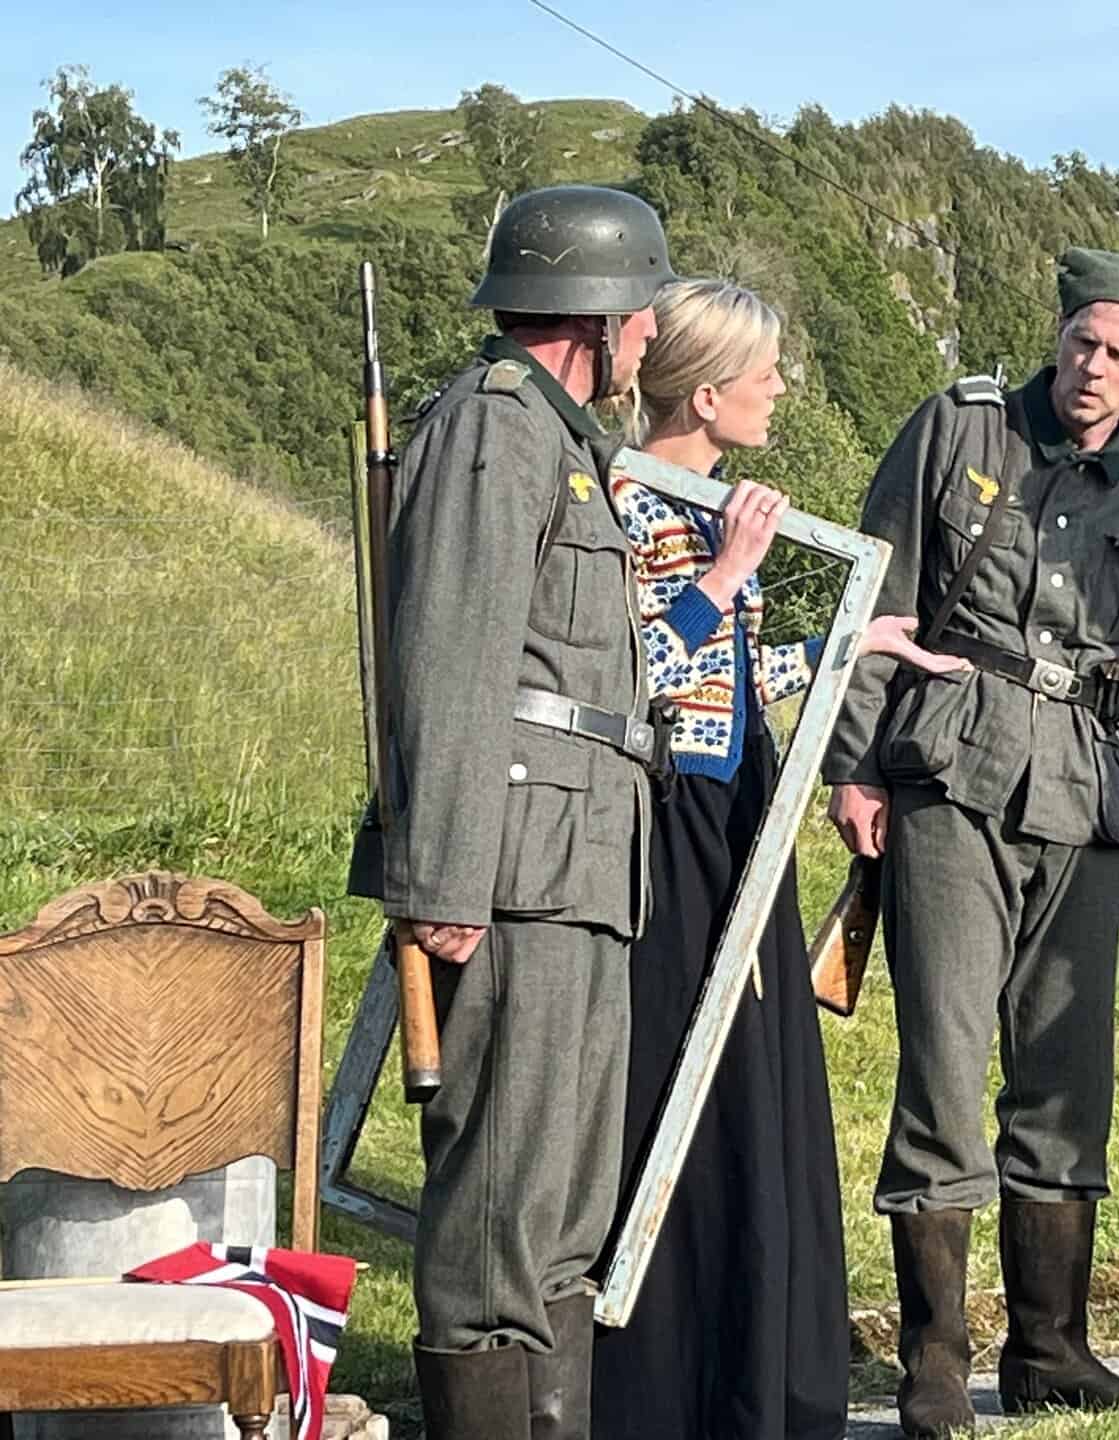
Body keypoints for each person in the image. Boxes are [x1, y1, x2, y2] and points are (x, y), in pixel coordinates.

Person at [823, 248, 1119, 1436]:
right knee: (942, 1070)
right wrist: (851, 762)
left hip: (1089, 796)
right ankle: (935, 1363)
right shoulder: (962, 426)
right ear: (1059, 335)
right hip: (951, 770)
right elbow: (877, 599)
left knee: (1066, 1075)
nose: (1092, 367)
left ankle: (1050, 1349)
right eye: (1081, 340)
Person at [590, 278, 965, 1440]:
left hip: (739, 813)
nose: (781, 389)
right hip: (673, 828)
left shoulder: (710, 512)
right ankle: (668, 1379)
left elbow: (730, 680)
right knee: (679, 1083)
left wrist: (855, 643)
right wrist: (723, 578)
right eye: (764, 373)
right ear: (707, 394)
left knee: (750, 1085)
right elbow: (628, 677)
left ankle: (754, 1370)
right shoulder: (630, 503)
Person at [345, 185, 677, 1440]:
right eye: (640, 311)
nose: (650, 334)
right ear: (594, 317)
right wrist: (442, 881)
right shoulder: (496, 427)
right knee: (498, 1217)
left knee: (562, 1215)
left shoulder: (564, 443)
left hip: (579, 868)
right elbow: (450, 658)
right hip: (513, 874)